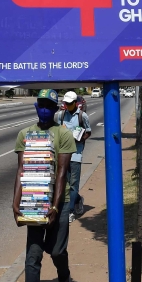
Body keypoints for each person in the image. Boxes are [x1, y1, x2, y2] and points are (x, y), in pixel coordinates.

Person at [12, 89, 76, 282]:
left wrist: (56, 207)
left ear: (57, 108)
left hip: (60, 201)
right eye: (41, 104)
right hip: (33, 202)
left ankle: (63, 278)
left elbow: (61, 173)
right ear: (36, 106)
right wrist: (16, 201)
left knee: (57, 251)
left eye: (50, 105)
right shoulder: (24, 134)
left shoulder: (63, 134)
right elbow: (21, 170)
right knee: (33, 255)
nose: (45, 109)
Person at [55, 91, 90, 221]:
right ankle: (77, 199)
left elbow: (88, 131)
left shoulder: (83, 116)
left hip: (76, 154)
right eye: (66, 103)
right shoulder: (60, 115)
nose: (67, 105)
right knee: (65, 183)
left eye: (70, 103)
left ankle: (69, 211)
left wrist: (81, 138)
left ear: (75, 103)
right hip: (63, 154)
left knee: (74, 184)